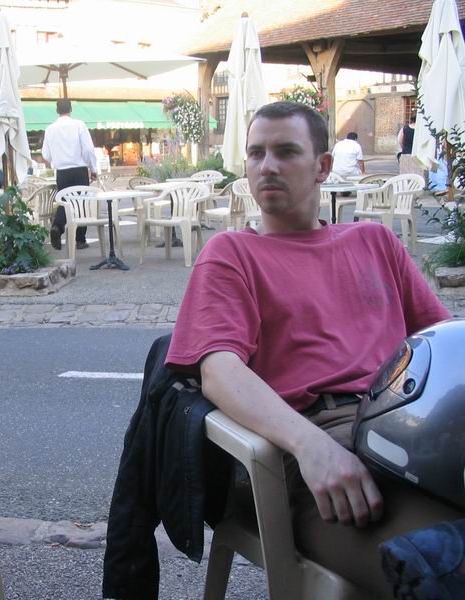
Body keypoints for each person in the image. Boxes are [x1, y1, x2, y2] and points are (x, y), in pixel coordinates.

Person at [165, 101, 462, 598]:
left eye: (285, 152)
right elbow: (219, 370)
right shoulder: (232, 254)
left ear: (322, 166)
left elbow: (444, 342)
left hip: (410, 430)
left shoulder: (375, 242)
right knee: (440, 565)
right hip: (316, 447)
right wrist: (311, 446)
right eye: (256, 154)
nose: (267, 166)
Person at [42, 98, 98, 250]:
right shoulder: (79, 125)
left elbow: (46, 155)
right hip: (79, 170)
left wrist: (56, 159)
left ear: (57, 110)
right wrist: (93, 168)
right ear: (71, 109)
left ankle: (58, 226)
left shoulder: (50, 129)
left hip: (62, 172)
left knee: (65, 201)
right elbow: (88, 149)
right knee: (82, 203)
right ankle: (80, 239)